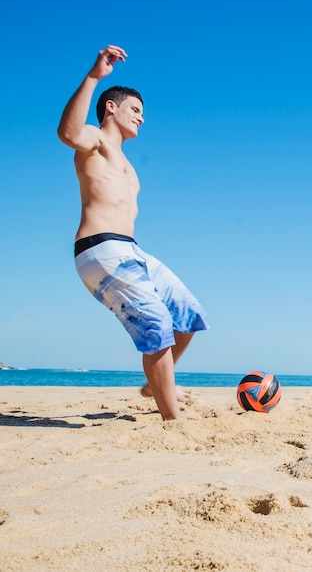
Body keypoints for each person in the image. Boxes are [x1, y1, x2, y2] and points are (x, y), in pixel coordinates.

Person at [57, 45, 208, 420]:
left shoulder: (128, 165)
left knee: (188, 318)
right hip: (100, 250)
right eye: (135, 110)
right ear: (112, 108)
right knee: (157, 325)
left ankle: (155, 383)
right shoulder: (95, 141)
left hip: (133, 251)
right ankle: (173, 421)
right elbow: (67, 132)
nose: (142, 119)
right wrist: (94, 77)